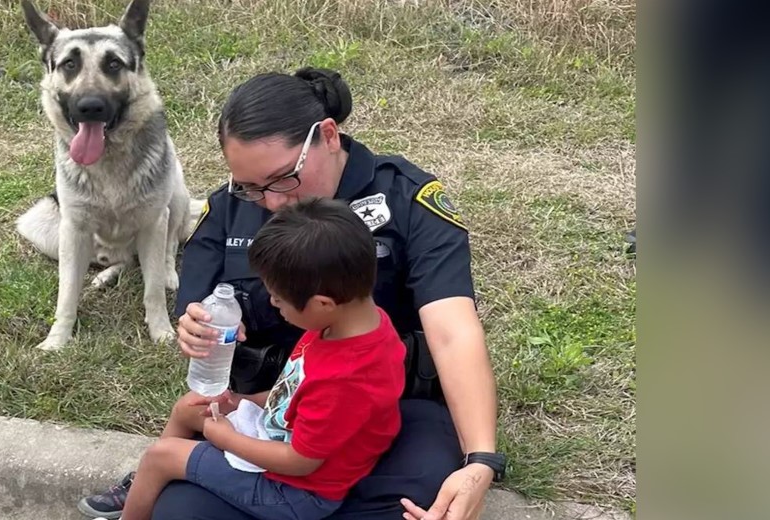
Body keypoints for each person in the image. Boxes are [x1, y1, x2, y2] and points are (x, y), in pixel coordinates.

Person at [81, 66, 505, 520]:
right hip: (272, 411)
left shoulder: (403, 199)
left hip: (385, 413)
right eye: (250, 186)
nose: (272, 202)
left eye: (283, 179)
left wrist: (480, 459)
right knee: (183, 513)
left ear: (327, 136)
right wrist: (200, 326)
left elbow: (452, 332)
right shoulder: (232, 207)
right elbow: (198, 305)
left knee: (417, 503)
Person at [81, 198, 407, 520]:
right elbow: (296, 393)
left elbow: (301, 461)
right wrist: (244, 400)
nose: (275, 306)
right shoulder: (353, 321)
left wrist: (228, 439)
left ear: (322, 303)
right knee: (190, 406)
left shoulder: (345, 378)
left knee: (162, 456)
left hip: (296, 493)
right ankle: (145, 490)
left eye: (279, 301)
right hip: (283, 433)